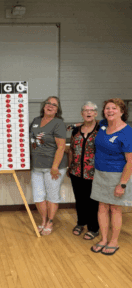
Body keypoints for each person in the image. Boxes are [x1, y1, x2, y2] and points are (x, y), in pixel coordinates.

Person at [90, 98, 132, 255]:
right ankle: (104, 239)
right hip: (100, 173)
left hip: (117, 175)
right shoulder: (102, 126)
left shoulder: (127, 132)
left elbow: (130, 161)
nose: (110, 111)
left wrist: (122, 184)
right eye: (107, 108)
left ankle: (114, 241)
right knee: (102, 207)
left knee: (115, 208)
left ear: (122, 111)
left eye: (114, 108)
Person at [30, 96, 67, 235]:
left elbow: (61, 147)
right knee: (38, 196)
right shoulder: (35, 121)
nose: (50, 106)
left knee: (52, 196)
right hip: (37, 167)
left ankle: (50, 222)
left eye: (54, 105)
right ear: (44, 106)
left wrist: (55, 166)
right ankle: (43, 220)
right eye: (48, 103)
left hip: (53, 167)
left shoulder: (58, 123)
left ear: (57, 110)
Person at [68, 101, 100, 240]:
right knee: (80, 199)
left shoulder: (101, 129)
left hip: (94, 172)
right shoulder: (76, 130)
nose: (88, 112)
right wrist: (70, 167)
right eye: (85, 110)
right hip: (76, 172)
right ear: (81, 114)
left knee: (93, 201)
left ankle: (94, 228)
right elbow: (71, 150)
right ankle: (81, 223)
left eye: (91, 110)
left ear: (95, 113)